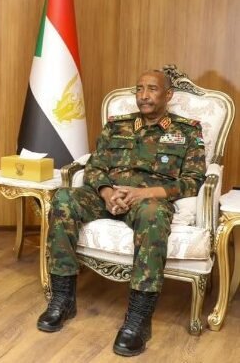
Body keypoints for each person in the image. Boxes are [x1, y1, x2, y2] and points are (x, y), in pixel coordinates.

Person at [36, 68, 206, 356]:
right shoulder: (117, 125)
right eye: (139, 89)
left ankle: (138, 320)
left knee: (154, 216)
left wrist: (143, 193)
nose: (144, 95)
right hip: (108, 195)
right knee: (63, 198)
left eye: (152, 89)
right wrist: (106, 193)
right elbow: (95, 168)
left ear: (168, 95)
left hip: (147, 201)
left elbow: (193, 180)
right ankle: (62, 300)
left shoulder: (187, 131)